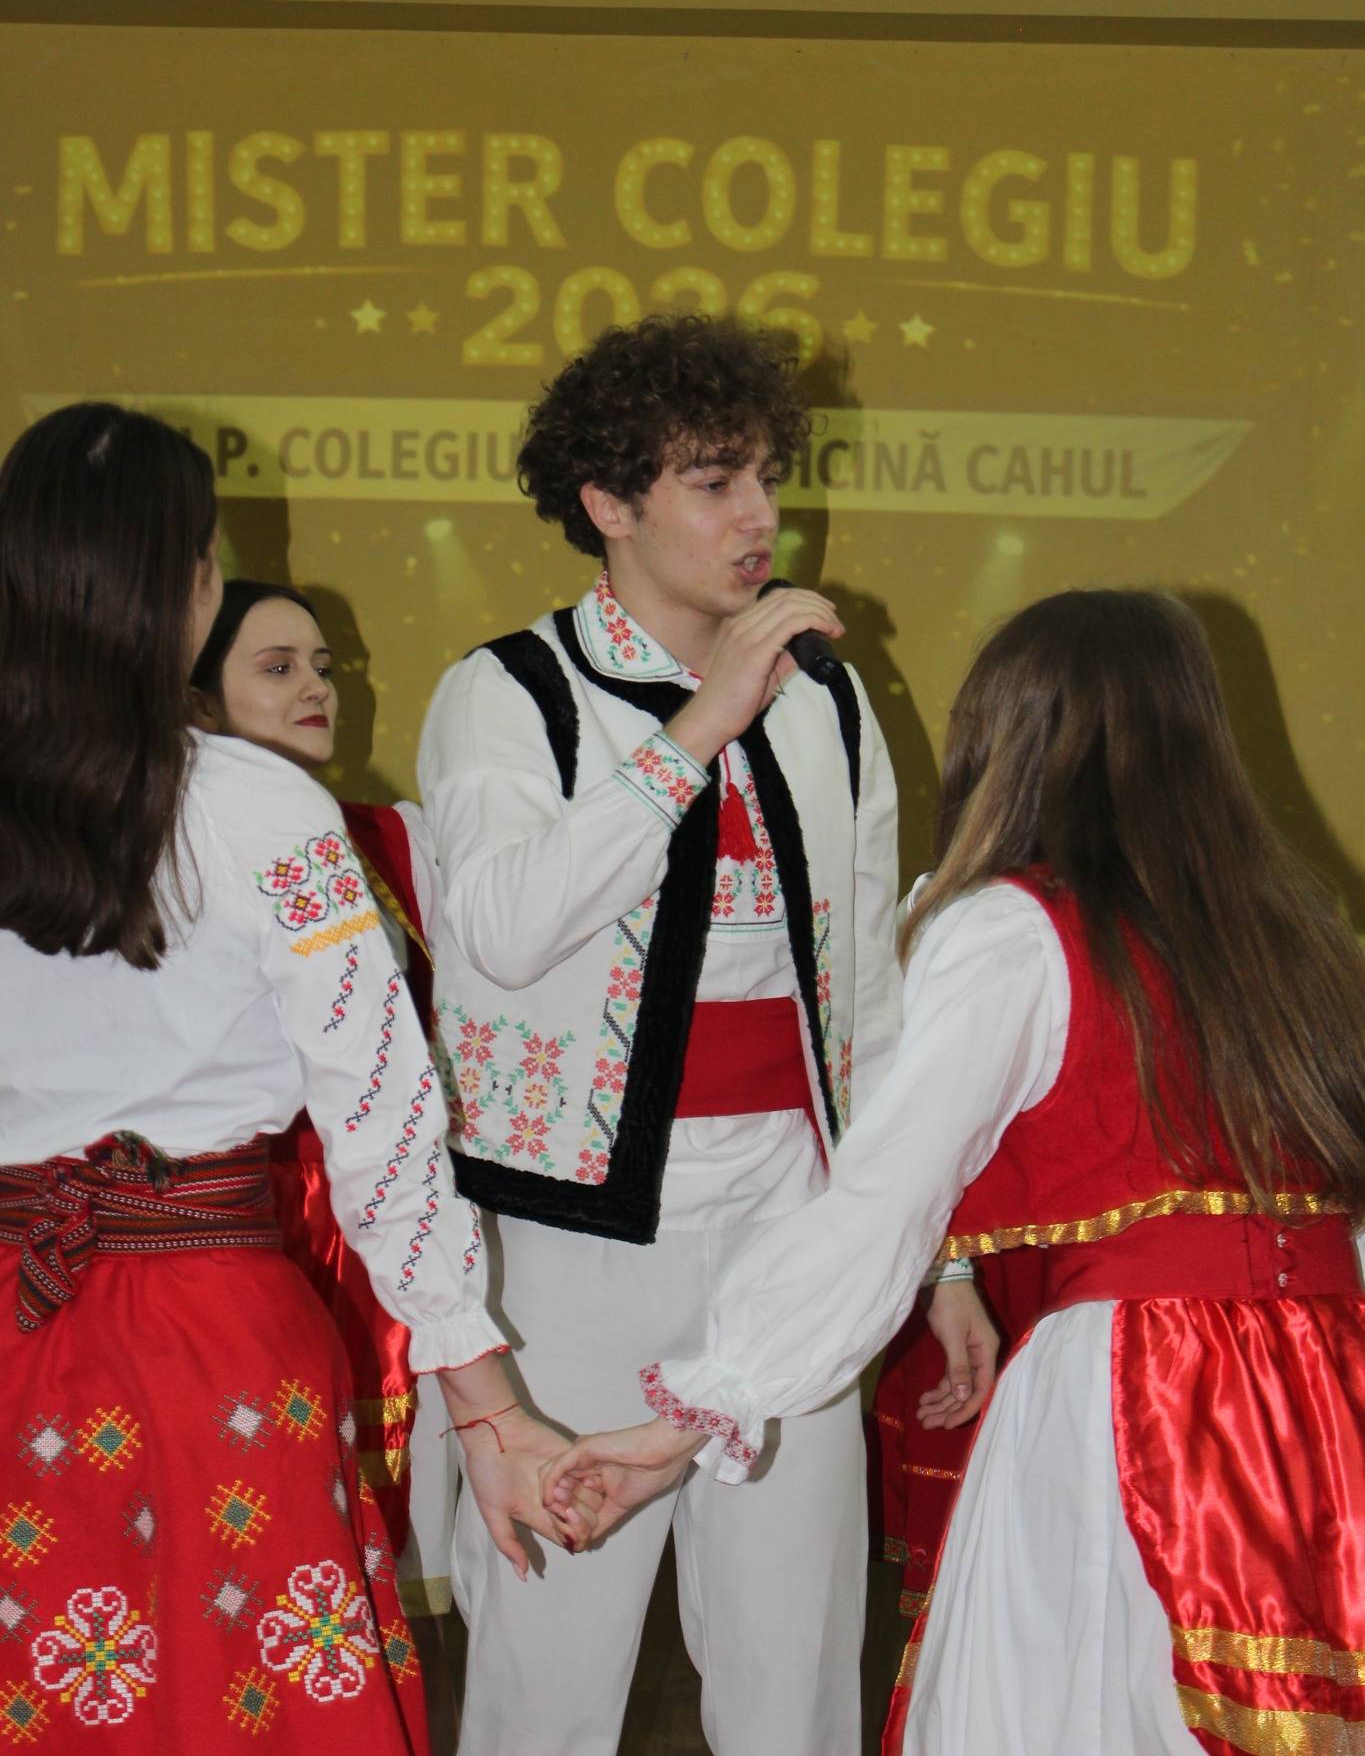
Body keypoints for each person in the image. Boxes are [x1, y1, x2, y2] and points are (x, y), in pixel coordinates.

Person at [545, 589, 1365, 1756]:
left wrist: (707, 1400)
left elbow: (884, 1199)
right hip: (1330, 1381)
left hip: (1140, 1384)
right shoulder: (1299, 930)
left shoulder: (1015, 928)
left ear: (1010, 735)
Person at [0, 404, 593, 1756]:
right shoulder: (265, 808)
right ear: (186, 586)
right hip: (216, 1335)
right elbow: (385, 1124)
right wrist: (487, 1404)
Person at [417, 314, 941, 1756]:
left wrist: (932, 1253)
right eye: (715, 481)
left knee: (796, 1669)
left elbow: (869, 995)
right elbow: (503, 929)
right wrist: (698, 726)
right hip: (575, 1241)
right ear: (607, 501)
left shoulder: (831, 699)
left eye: (768, 475)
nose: (760, 514)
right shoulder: (508, 691)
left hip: (790, 1225)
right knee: (550, 1676)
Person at [189, 579, 443, 1597]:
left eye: (324, 667)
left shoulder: (389, 838)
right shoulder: (165, 845)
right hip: (239, 1212)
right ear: (198, 696)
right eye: (278, 667)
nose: (317, 688)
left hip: (373, 1196)